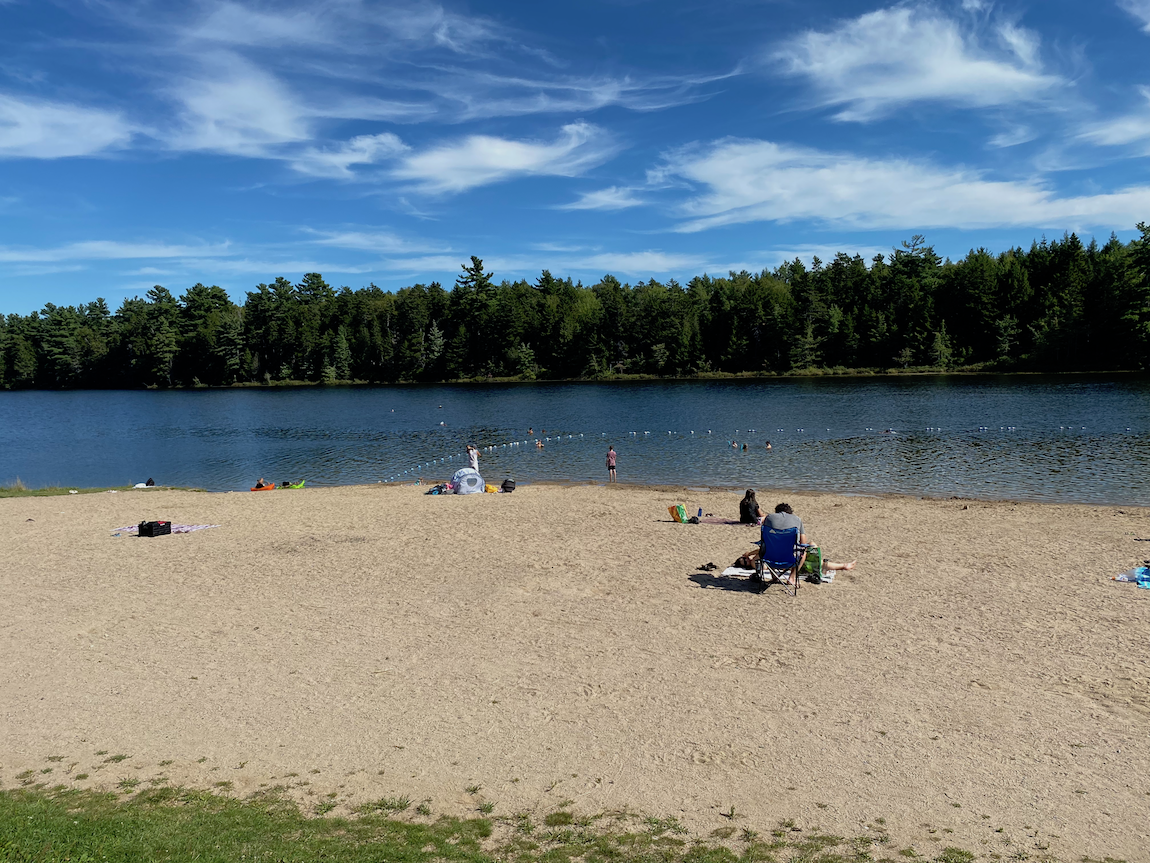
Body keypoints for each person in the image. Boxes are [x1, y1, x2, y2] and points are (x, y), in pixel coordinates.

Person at [735, 502, 857, 584]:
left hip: (772, 557)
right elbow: (802, 544)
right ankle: (792, 578)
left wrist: (749, 554)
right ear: (790, 513)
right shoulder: (796, 520)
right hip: (790, 559)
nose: (746, 559)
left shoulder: (770, 519)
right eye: (744, 561)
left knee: (811, 550)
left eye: (743, 559)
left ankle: (775, 576)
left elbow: (764, 544)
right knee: (807, 553)